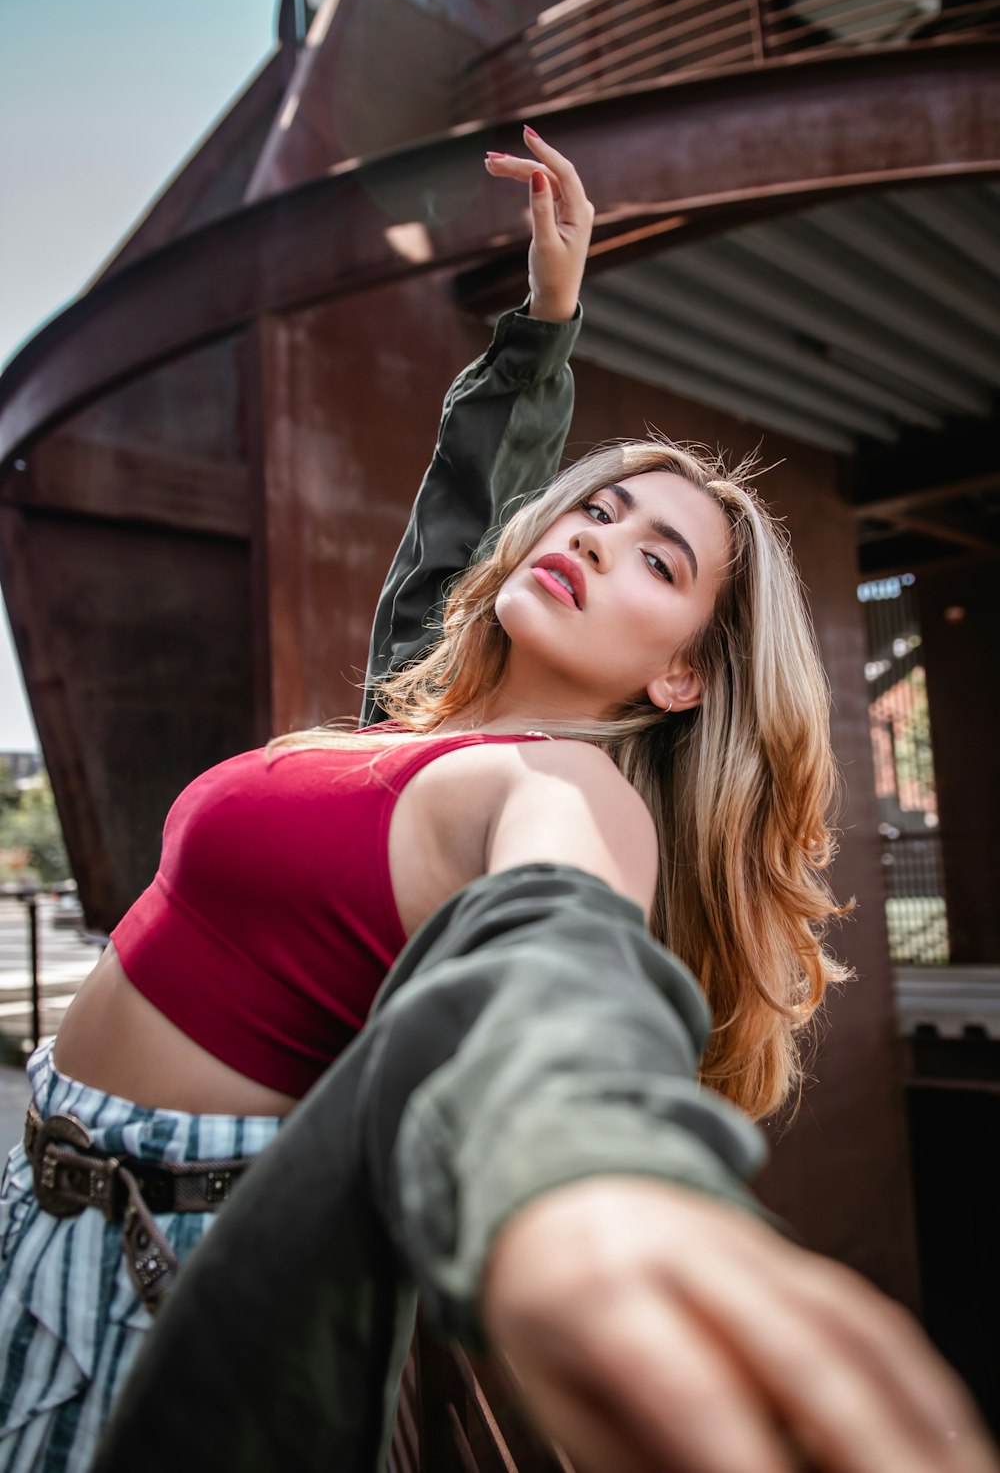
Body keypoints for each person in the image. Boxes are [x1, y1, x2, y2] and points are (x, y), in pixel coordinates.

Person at [1, 133, 995, 1473]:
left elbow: (557, 959)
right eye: (596, 510)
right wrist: (546, 320)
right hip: (42, 1193)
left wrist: (587, 1183)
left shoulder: (569, 789)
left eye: (658, 555)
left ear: (686, 671)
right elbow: (452, 545)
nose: (593, 535)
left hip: (143, 1283)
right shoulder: (423, 724)